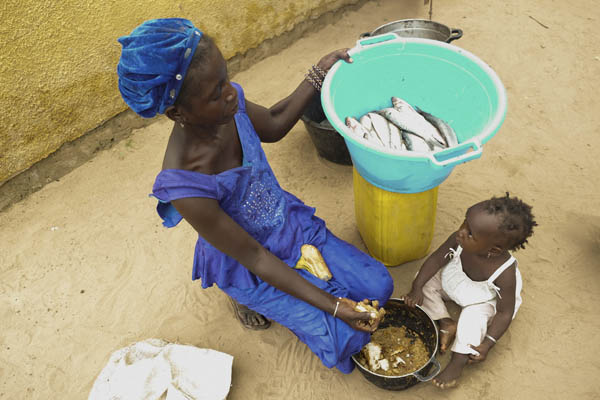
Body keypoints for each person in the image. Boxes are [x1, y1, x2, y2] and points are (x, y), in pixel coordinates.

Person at [116, 18, 393, 374]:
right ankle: (242, 297)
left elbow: (275, 122)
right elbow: (255, 256)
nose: (231, 92)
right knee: (348, 337)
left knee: (379, 287)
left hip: (287, 224)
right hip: (247, 262)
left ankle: (316, 296)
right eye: (215, 92)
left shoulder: (231, 108)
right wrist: (335, 306)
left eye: (226, 78)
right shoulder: (185, 184)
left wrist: (319, 73)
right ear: (177, 113)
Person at [403, 193, 536, 388]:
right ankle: (446, 321)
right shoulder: (459, 240)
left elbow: (504, 312)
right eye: (465, 222)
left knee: (473, 321)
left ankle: (457, 362)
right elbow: (436, 260)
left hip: (481, 299)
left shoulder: (504, 273)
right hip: (453, 281)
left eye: (470, 233)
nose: (461, 231)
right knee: (423, 280)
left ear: (494, 249)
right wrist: (416, 288)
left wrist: (488, 344)